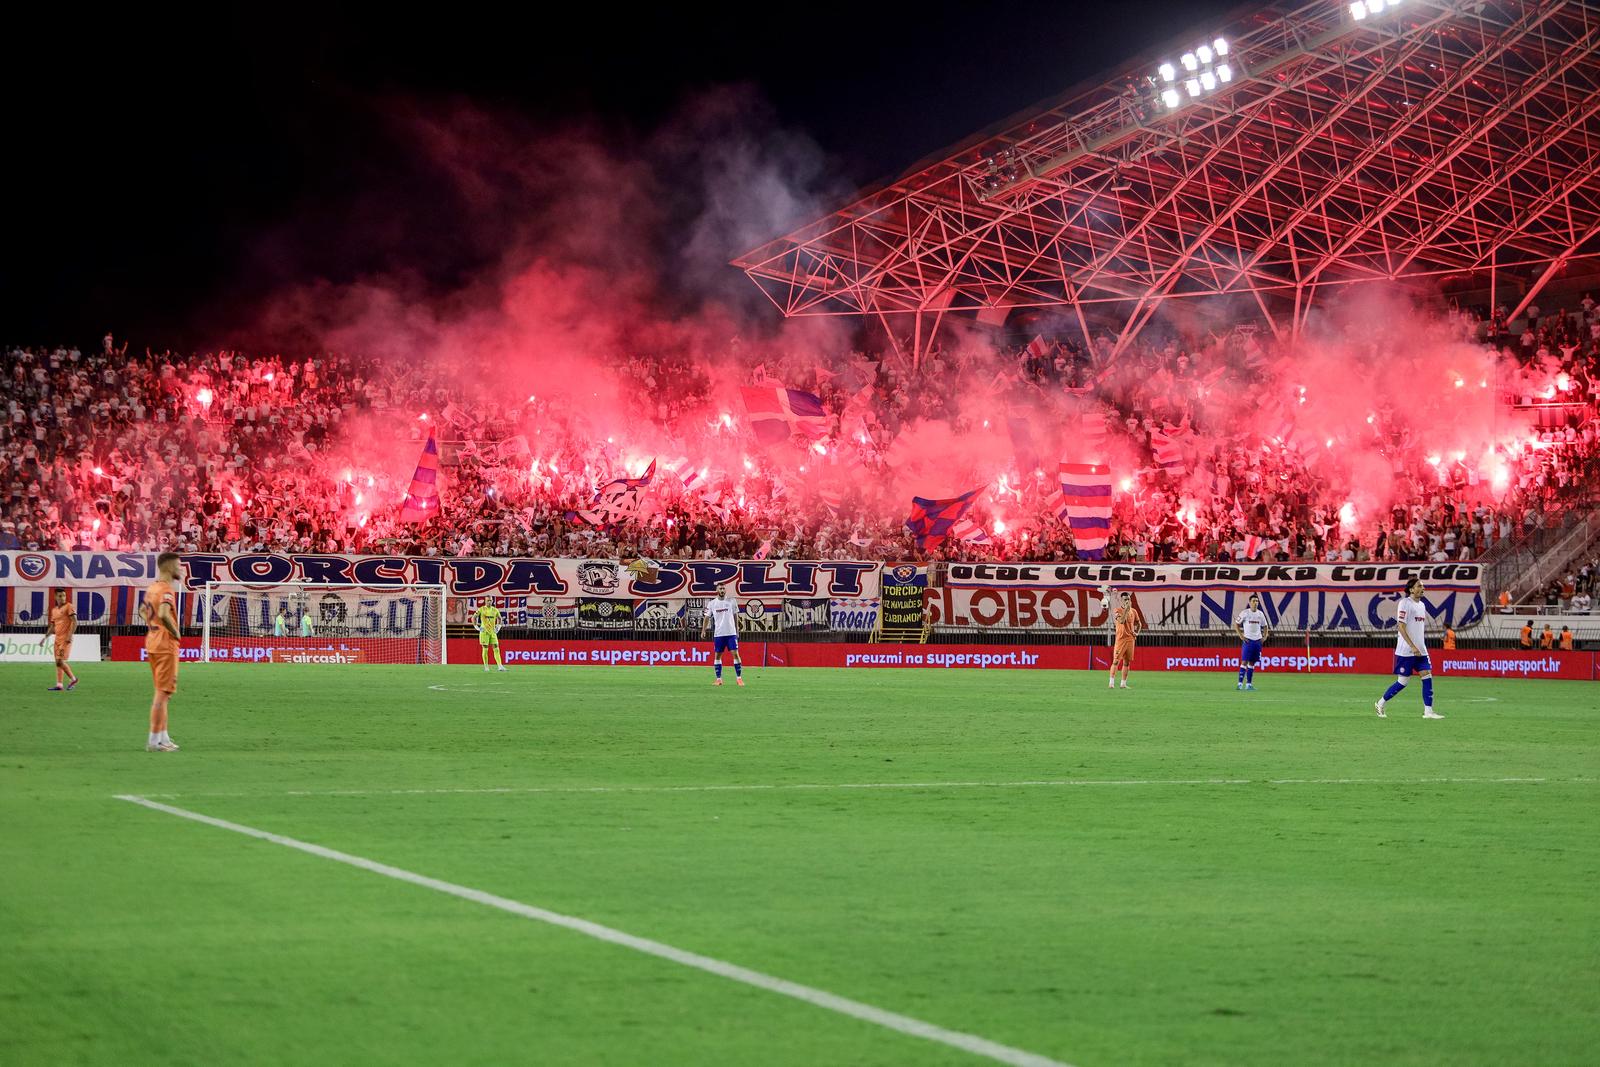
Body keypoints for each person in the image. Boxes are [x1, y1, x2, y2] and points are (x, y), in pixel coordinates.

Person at [1375, 578, 1442, 719]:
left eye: (1423, 586)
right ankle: (1380, 703)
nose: (1423, 589)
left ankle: (1428, 711)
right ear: (1411, 589)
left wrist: (1419, 647)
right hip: (1406, 651)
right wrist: (1412, 646)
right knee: (1403, 682)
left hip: (1421, 650)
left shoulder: (1422, 605)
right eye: (1419, 586)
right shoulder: (1405, 603)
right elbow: (1401, 626)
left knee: (1427, 675)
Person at [139, 552, 184, 751]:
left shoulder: (152, 588)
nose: (180, 569)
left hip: (153, 643)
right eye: (178, 565)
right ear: (168, 567)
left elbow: (142, 610)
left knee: (164, 693)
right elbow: (165, 614)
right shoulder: (165, 590)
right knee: (162, 693)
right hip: (166, 646)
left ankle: (163, 738)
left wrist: (152, 625)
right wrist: (176, 633)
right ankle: (153, 740)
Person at [701, 583, 744, 687]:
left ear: (725, 590)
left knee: (735, 654)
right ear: (717, 590)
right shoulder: (712, 603)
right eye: (720, 588)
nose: (722, 590)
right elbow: (707, 617)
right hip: (719, 634)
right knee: (717, 656)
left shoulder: (732, 601)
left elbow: (735, 616)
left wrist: (737, 630)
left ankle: (739, 679)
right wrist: (703, 630)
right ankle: (719, 679)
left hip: (731, 633)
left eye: (723, 588)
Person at [1233, 592, 1271, 691]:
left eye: (1257, 601)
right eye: (1254, 601)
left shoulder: (1260, 614)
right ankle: (1240, 684)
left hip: (1257, 641)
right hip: (1248, 641)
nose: (1256, 603)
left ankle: (1248, 684)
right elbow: (1236, 624)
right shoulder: (1245, 613)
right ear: (1250, 602)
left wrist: (1265, 636)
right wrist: (1241, 635)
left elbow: (1265, 626)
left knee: (1252, 663)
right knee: (1244, 661)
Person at [46, 589, 80, 692]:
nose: (62, 598)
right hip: (57, 639)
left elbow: (75, 622)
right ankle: (59, 685)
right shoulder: (54, 610)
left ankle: (73, 679)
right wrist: (45, 637)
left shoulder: (69, 606)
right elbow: (52, 626)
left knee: (60, 661)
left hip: (65, 639)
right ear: (55, 597)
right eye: (60, 596)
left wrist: (70, 635)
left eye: (64, 596)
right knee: (57, 662)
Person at [1109, 590, 1141, 690]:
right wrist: (1126, 610)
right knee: (1115, 661)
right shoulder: (1117, 610)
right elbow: (1121, 621)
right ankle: (1111, 682)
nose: (1127, 601)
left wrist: (1137, 632)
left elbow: (1139, 623)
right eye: (1125, 599)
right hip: (1121, 639)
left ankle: (1123, 684)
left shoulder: (1134, 611)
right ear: (1121, 601)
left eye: (1129, 599)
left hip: (1131, 639)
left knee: (1127, 662)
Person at [473, 598, 506, 672]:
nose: (489, 602)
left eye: (490, 600)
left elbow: (500, 619)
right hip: (484, 632)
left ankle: (500, 666)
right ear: (485, 601)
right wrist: (477, 627)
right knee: (485, 649)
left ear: (492, 601)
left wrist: (498, 627)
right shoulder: (481, 609)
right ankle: (486, 667)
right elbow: (474, 617)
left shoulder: (495, 610)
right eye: (488, 600)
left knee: (496, 648)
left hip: (492, 632)